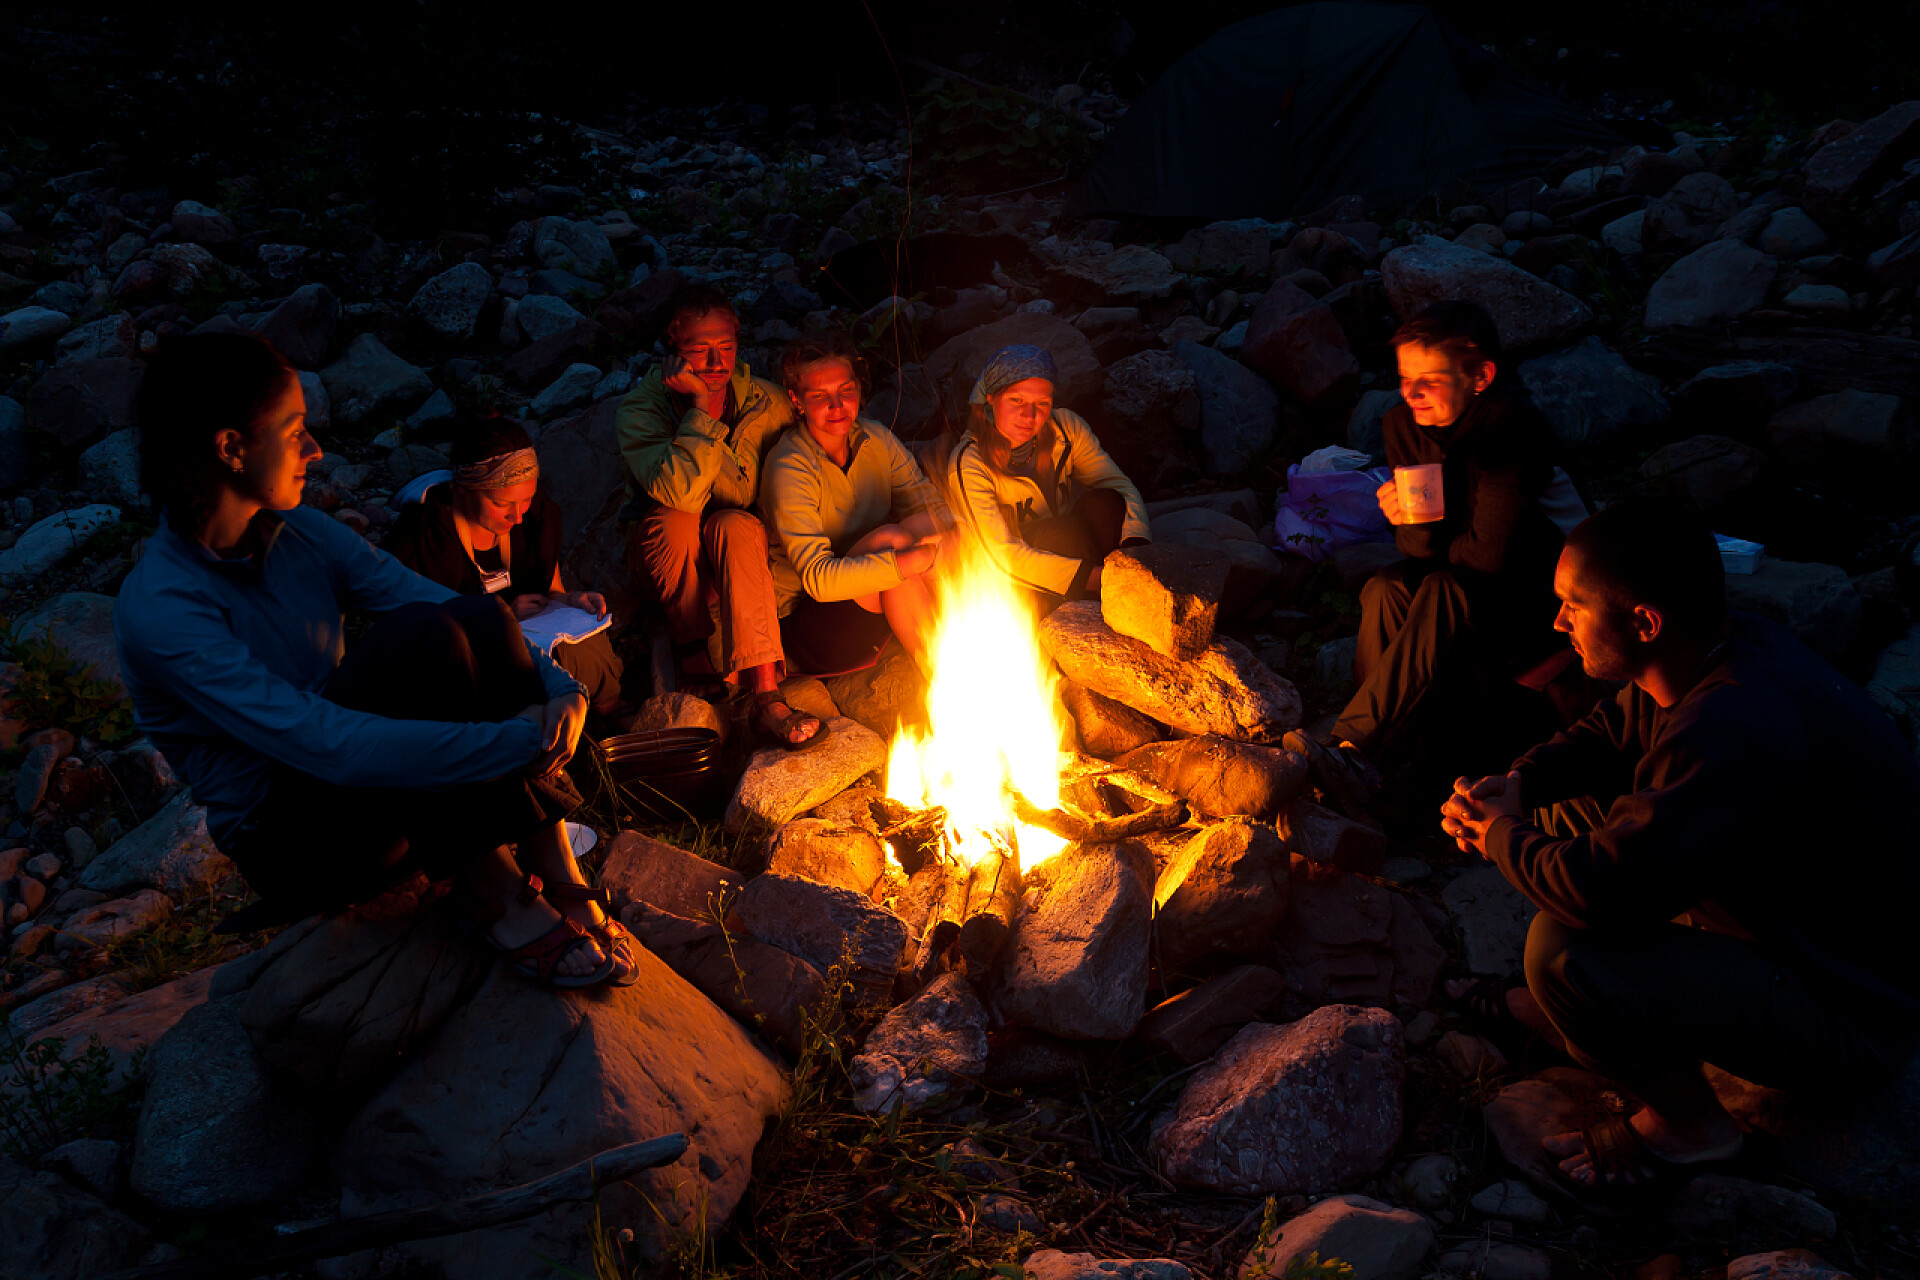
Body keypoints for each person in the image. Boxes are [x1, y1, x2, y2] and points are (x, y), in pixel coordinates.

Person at [115, 332, 636, 990]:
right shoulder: (165, 607)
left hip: (374, 794)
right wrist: (513, 742)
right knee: (424, 642)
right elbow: (325, 743)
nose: (316, 450)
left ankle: (558, 871)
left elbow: (450, 604)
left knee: (462, 618)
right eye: (295, 431)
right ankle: (495, 893)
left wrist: (561, 689)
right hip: (300, 841)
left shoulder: (298, 532)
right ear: (230, 448)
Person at [1439, 500, 1920, 1191]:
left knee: (1565, 953)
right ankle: (1600, 1016)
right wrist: (1519, 786)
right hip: (1791, 926)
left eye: (1573, 606)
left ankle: (1693, 1128)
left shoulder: (1732, 721)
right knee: (1575, 808)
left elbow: (1598, 894)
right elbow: (1610, 733)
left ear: (1644, 622)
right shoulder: (1713, 651)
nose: (1557, 623)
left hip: (1853, 1011)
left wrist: (1498, 835)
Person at [1311, 300, 1577, 792]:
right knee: (1385, 587)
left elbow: (1490, 558)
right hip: (1474, 585)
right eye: (1404, 378)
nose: (1412, 393)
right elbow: (1418, 549)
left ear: (1480, 376)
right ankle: (1378, 760)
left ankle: (1354, 750)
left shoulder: (1510, 431)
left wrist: (1432, 536)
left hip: (1553, 597)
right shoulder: (1406, 426)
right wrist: (1408, 522)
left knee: (1442, 589)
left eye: (1429, 380)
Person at [615, 283, 818, 747]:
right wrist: (700, 408)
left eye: (725, 347)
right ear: (673, 346)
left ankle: (768, 696)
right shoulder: (640, 410)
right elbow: (681, 493)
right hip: (674, 562)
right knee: (674, 515)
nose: (714, 363)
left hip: (741, 557)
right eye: (698, 349)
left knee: (738, 523)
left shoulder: (766, 401)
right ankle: (690, 646)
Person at [385, 412, 633, 730]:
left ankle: (607, 709)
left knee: (579, 642)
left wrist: (572, 601)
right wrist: (500, 618)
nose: (517, 516)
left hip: (535, 640)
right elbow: (416, 631)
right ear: (463, 489)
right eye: (501, 504)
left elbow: (553, 590)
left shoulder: (536, 518)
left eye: (525, 500)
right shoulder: (425, 537)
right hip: (462, 657)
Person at [760, 331, 948, 674]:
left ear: (858, 389)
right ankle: (943, 673)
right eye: (820, 395)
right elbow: (817, 578)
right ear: (797, 400)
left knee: (933, 525)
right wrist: (912, 561)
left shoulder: (876, 438)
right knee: (894, 540)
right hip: (814, 625)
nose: (837, 405)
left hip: (874, 601)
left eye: (845, 390)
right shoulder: (789, 466)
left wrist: (955, 538)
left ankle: (964, 638)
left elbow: (925, 503)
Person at [943, 343, 1150, 608]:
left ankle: (1127, 596)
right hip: (1012, 584)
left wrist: (1136, 553)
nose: (1029, 416)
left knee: (1107, 505)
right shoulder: (969, 461)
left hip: (1073, 551)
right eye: (1016, 400)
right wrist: (1098, 578)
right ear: (991, 399)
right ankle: (1097, 608)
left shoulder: (1065, 427)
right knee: (1060, 535)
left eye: (1042, 403)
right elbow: (1000, 555)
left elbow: (1118, 485)